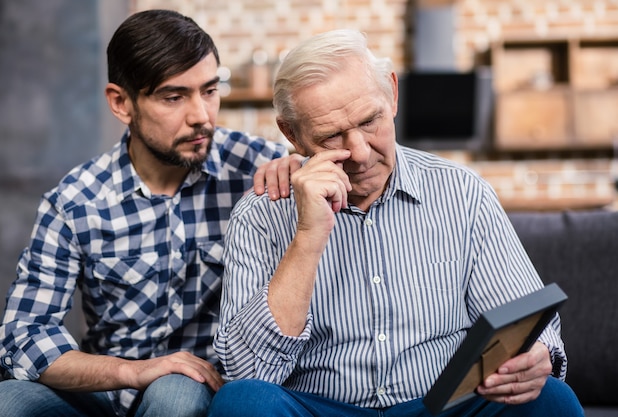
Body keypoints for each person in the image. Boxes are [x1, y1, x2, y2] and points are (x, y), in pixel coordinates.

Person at [210, 29, 584, 417]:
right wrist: (307, 237)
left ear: (392, 94)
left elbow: (523, 319)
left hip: (442, 407)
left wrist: (536, 354)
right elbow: (247, 373)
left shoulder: (463, 192)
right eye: (331, 137)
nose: (358, 153)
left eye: (369, 121)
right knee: (243, 403)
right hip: (320, 409)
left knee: (552, 399)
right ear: (291, 134)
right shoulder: (261, 213)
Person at [0, 9, 294, 417]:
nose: (201, 116)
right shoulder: (76, 201)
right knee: (5, 401)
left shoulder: (261, 170)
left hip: (202, 389)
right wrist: (133, 371)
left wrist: (304, 171)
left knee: (175, 392)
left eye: (209, 90)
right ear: (121, 103)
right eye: (174, 97)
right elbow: (21, 336)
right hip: (107, 390)